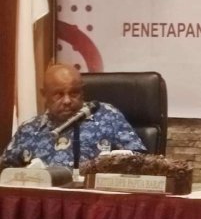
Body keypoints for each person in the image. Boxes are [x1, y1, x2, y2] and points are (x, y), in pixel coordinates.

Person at [1, 63, 145, 169]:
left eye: (74, 93)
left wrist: (106, 165)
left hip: (93, 198)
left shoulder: (107, 116)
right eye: (59, 94)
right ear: (44, 95)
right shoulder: (29, 130)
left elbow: (140, 158)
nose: (67, 101)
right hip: (44, 199)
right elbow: (4, 171)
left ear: (82, 92)